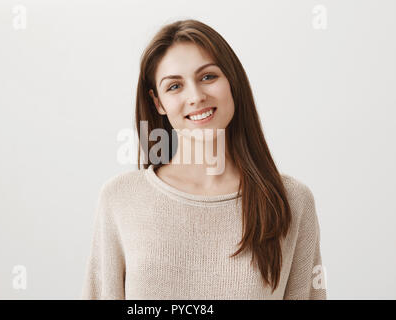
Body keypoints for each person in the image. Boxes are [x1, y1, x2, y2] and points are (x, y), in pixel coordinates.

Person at [81, 19, 327, 300]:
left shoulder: (292, 201)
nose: (196, 96)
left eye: (208, 77)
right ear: (158, 102)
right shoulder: (121, 198)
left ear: (232, 81)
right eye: (174, 86)